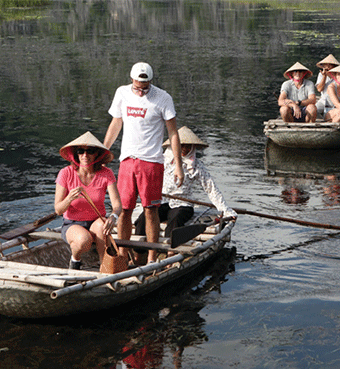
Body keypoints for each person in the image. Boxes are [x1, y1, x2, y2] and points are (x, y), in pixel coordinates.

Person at [103, 62, 184, 264]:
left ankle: (151, 256)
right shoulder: (122, 93)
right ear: (131, 80)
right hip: (127, 160)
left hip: (151, 161)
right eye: (138, 87)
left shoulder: (163, 98)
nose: (141, 92)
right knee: (124, 210)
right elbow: (115, 124)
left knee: (150, 210)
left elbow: (173, 133)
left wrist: (179, 166)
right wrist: (103, 152)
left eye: (145, 87)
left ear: (151, 82)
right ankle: (122, 255)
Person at [134, 127, 237, 260]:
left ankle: (169, 255)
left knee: (175, 220)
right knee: (144, 219)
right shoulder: (162, 160)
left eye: (188, 146)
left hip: (184, 203)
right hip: (163, 200)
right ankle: (138, 255)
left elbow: (211, 189)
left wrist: (226, 210)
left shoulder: (196, 166)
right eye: (182, 146)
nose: (185, 149)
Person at [54, 131, 122, 270]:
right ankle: (75, 260)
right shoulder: (65, 173)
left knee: (102, 228)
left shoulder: (106, 173)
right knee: (84, 240)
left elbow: (117, 205)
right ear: (76, 154)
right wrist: (69, 198)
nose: (85, 155)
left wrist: (113, 217)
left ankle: (105, 267)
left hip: (96, 220)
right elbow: (58, 209)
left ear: (96, 154)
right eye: (81, 151)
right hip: (72, 223)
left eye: (90, 151)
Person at [315, 54, 340, 118]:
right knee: (314, 110)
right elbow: (319, 89)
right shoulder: (321, 74)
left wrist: (331, 75)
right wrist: (324, 76)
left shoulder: (339, 75)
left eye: (330, 65)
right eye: (326, 65)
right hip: (323, 100)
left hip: (336, 101)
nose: (328, 67)